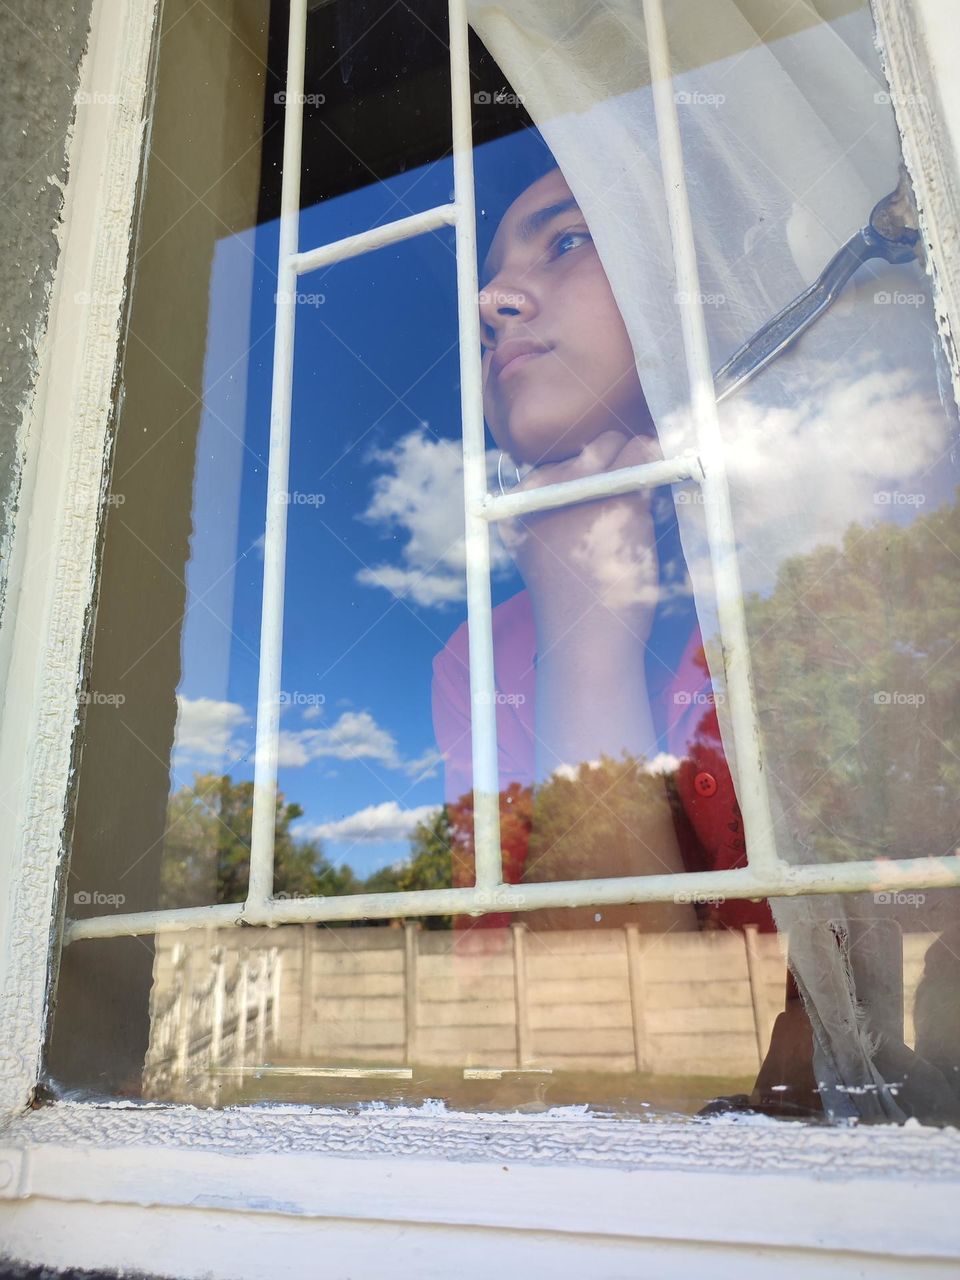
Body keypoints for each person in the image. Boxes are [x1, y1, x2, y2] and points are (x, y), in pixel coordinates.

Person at [431, 152, 818, 1116]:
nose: (492, 303)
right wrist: (584, 630)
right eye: (485, 293)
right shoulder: (484, 657)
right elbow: (604, 1058)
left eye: (568, 241)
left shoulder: (828, 564)